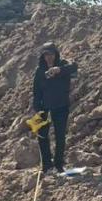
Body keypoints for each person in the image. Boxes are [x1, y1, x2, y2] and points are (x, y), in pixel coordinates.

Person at [31, 41, 79, 174]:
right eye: (46, 54)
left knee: (60, 135)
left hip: (61, 106)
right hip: (44, 107)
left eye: (51, 54)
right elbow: (36, 91)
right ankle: (46, 165)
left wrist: (59, 70)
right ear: (43, 56)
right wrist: (37, 109)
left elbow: (74, 67)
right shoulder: (40, 70)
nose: (49, 57)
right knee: (42, 136)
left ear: (55, 54)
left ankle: (58, 164)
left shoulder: (63, 64)